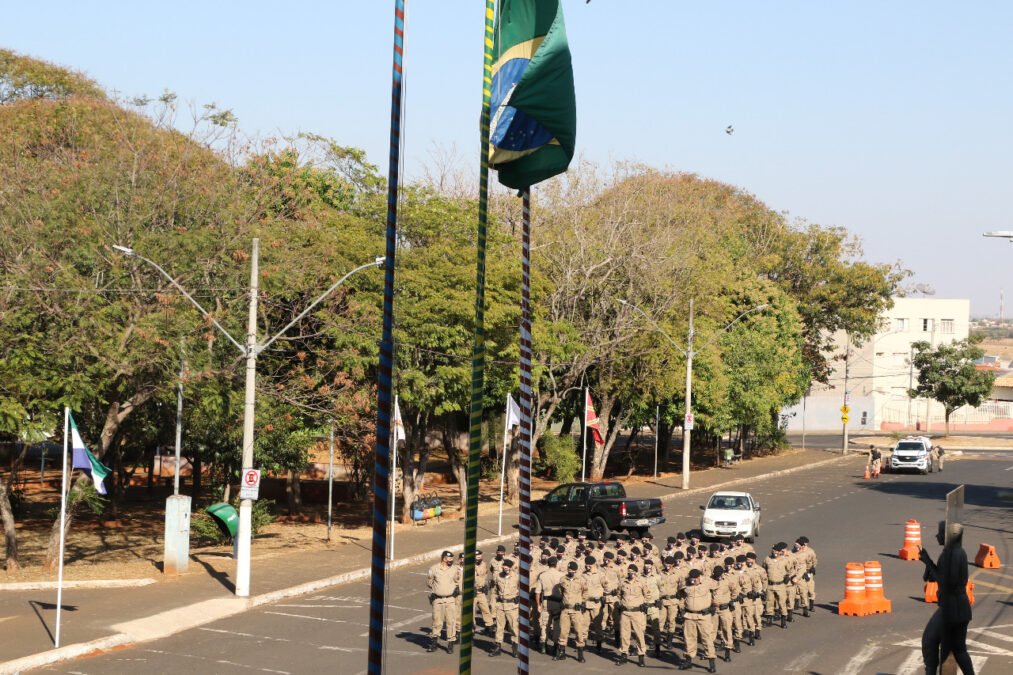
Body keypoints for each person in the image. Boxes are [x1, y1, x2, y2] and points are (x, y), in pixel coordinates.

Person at [920, 521, 974, 675]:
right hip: (956, 608)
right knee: (959, 650)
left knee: (930, 641)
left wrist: (928, 562)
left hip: (952, 610)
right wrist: (928, 562)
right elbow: (935, 578)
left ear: (947, 536)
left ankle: (930, 672)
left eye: (940, 532)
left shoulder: (953, 554)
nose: (937, 536)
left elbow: (945, 582)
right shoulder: (953, 552)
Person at [678, 568, 717, 673]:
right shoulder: (685, 583)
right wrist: (681, 608)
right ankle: (688, 661)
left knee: (707, 639)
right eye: (691, 579)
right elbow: (681, 595)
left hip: (703, 616)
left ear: (699, 577)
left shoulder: (708, 582)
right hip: (689, 616)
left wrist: (714, 604)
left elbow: (717, 590)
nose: (693, 581)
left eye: (695, 579)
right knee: (689, 639)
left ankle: (711, 662)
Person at [427, 550, 461, 653]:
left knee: (451, 621)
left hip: (450, 599)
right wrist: (438, 589)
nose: (451, 560)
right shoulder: (434, 569)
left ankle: (450, 644)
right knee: (437, 621)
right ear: (443, 558)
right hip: (437, 599)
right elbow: (429, 582)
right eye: (449, 559)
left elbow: (457, 580)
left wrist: (454, 589)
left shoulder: (455, 569)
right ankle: (434, 643)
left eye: (452, 559)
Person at [617, 563, 648, 667]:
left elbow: (647, 594)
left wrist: (644, 604)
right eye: (629, 572)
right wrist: (620, 604)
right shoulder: (622, 582)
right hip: (625, 612)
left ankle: (641, 656)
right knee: (624, 635)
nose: (630, 573)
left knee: (639, 635)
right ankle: (624, 655)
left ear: (636, 572)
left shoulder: (641, 582)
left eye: (632, 572)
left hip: (637, 613)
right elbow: (619, 594)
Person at [490, 558, 520, 657]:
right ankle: (497, 647)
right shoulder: (498, 577)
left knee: (513, 627)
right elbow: (494, 591)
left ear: (511, 568)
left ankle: (515, 647)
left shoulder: (516, 577)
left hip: (512, 606)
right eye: (504, 566)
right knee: (499, 627)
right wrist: (494, 604)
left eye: (507, 566)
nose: (505, 568)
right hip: (500, 606)